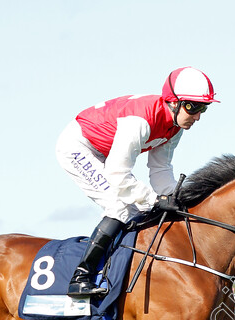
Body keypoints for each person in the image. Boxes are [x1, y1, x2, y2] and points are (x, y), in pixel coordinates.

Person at [55, 66, 218, 297]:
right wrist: (154, 200)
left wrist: (175, 199)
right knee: (120, 207)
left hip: (104, 153)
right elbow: (118, 174)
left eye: (204, 107)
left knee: (140, 210)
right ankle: (81, 277)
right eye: (193, 107)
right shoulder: (140, 122)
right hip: (78, 146)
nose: (198, 116)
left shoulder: (175, 127)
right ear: (173, 102)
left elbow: (160, 170)